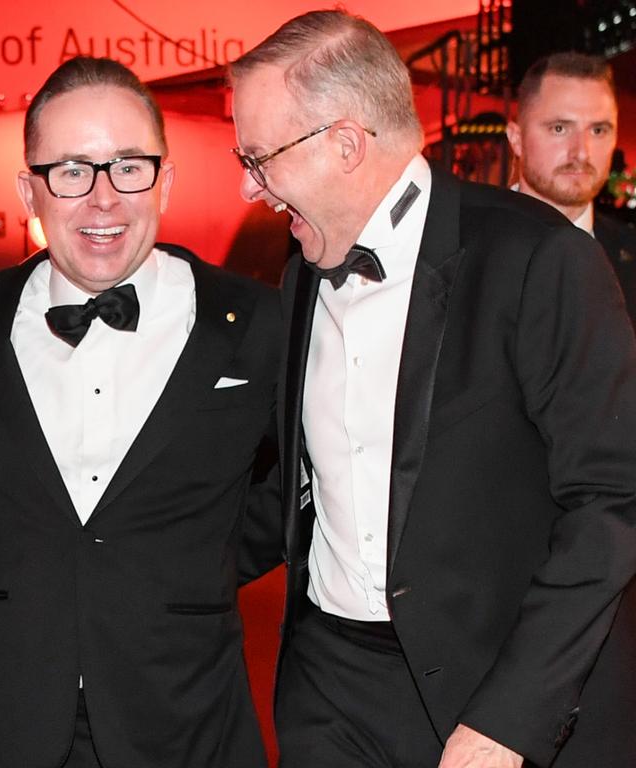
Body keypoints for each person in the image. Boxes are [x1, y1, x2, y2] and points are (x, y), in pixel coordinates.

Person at [229, 10, 636, 768]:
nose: (249, 187)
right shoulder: (299, 276)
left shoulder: (537, 261)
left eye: (259, 157)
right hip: (329, 691)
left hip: (489, 693)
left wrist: (512, 716)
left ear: (345, 144)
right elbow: (304, 482)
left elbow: (611, 502)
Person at [0, 56, 280, 768]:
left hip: (189, 716)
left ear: (165, 181)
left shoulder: (251, 322)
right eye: (71, 171)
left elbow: (283, 496)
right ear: (29, 189)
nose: (102, 199)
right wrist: (19, 587)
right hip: (18, 716)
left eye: (128, 167)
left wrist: (183, 571)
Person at [507, 51, 636, 327]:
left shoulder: (630, 255)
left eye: (598, 131)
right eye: (559, 128)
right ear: (516, 139)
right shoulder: (462, 252)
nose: (581, 152)